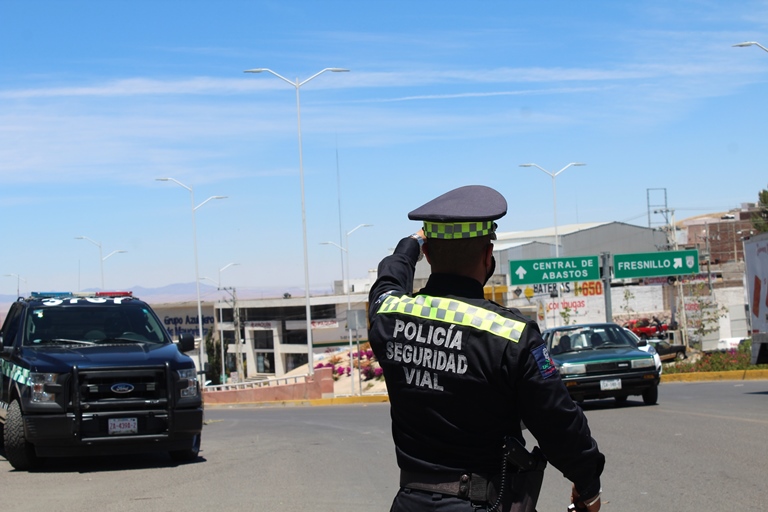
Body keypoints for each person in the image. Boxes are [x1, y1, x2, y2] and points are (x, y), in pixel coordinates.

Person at [368, 185, 604, 512]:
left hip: (409, 503)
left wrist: (409, 246)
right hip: (481, 504)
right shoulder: (511, 334)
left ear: (429, 255)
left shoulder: (389, 318)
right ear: (486, 256)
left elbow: (387, 283)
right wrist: (588, 484)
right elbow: (559, 422)